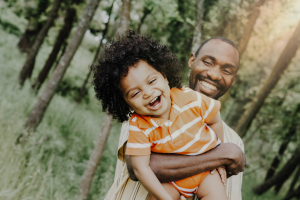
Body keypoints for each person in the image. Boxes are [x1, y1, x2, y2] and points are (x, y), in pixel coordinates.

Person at [103, 36, 246, 200]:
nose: (214, 75)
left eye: (226, 70)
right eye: (207, 62)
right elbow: (145, 167)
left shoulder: (235, 141)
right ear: (192, 60)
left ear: (233, 80)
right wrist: (221, 155)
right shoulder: (145, 112)